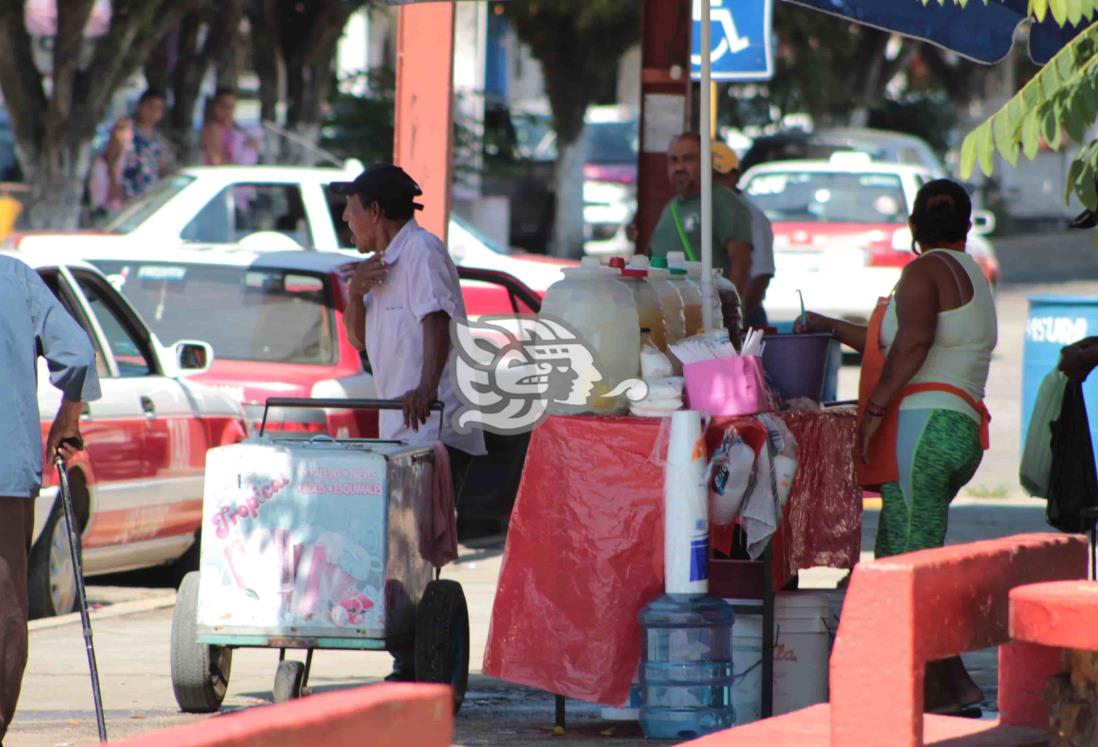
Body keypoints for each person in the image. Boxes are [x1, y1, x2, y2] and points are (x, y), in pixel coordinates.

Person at [795, 178, 997, 715]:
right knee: (906, 557)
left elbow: (911, 342)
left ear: (912, 226)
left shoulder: (921, 272)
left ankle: (938, 687)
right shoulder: (970, 273)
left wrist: (877, 408)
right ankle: (939, 686)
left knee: (905, 565)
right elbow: (893, 337)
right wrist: (824, 326)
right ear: (968, 225)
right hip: (955, 429)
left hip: (923, 430)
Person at [332, 163, 485, 680]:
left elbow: (436, 321)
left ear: (375, 210)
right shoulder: (379, 263)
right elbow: (357, 340)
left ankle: (419, 661)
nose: (346, 220)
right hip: (400, 430)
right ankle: (411, 656)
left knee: (419, 547)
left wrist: (424, 387)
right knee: (398, 545)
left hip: (435, 424)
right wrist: (355, 293)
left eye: (351, 210)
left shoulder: (421, 251)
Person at [0, 256, 100, 740]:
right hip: (6, 476)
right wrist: (69, 415)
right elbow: (77, 354)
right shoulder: (14, 278)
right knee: (5, 612)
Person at [648, 132, 754, 313]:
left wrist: (727, 312)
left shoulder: (722, 201)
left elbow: (741, 260)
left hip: (708, 318)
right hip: (669, 316)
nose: (679, 167)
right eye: (673, 160)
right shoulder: (670, 208)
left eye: (687, 159)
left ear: (707, 162)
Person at [712, 142, 774, 329]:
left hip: (742, 317)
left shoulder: (752, 216)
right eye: (709, 177)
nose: (715, 183)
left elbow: (761, 275)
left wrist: (737, 316)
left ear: (735, 176)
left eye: (720, 176)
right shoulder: (703, 210)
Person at [200, 88, 261, 166]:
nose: (228, 111)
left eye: (231, 107)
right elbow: (216, 160)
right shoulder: (212, 128)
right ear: (215, 107)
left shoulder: (236, 128)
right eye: (224, 106)